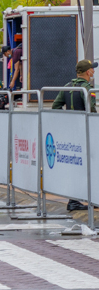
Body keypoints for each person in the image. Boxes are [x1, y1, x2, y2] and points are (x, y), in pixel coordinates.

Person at [52, 60, 97, 212]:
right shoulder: (86, 88)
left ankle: (75, 199)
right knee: (91, 164)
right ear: (87, 72)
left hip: (71, 133)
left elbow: (55, 106)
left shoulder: (66, 86)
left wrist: (67, 120)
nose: (94, 72)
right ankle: (87, 198)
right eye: (92, 69)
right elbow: (90, 109)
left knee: (77, 165)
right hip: (85, 131)